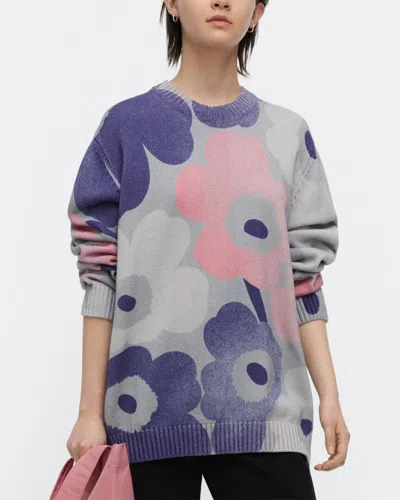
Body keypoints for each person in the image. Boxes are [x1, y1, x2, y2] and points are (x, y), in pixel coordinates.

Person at [65, 1, 350, 498]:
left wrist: (330, 396)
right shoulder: (126, 127)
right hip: (143, 412)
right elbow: (100, 273)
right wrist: (89, 413)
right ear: (172, 4)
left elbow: (304, 281)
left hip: (268, 415)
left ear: (257, 12)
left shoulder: (288, 135)